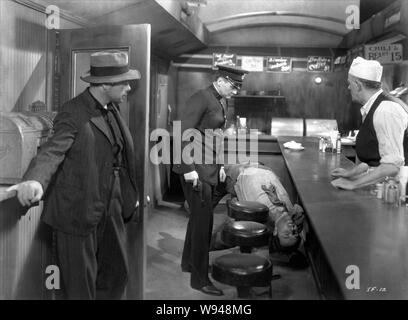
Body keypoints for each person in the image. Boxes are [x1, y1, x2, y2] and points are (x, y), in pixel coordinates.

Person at [7, 51, 140, 299]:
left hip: (111, 208)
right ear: (105, 85)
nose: (129, 87)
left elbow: (119, 157)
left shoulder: (111, 108)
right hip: (77, 212)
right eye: (124, 82)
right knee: (80, 288)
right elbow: (53, 150)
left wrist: (128, 194)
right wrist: (35, 180)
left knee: (116, 274)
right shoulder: (73, 112)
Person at [173, 65, 249, 296]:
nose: (235, 91)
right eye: (234, 86)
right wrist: (188, 169)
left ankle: (188, 264)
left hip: (209, 168)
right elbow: (181, 133)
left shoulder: (219, 100)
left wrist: (222, 166)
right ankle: (199, 279)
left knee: (198, 220)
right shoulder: (201, 98)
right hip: (196, 169)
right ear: (222, 80)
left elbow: (213, 137)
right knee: (203, 225)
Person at [331, 57, 408, 190]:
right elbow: (376, 156)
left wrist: (353, 183)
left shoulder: (386, 110)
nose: (349, 87)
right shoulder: (374, 106)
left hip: (395, 191)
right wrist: (352, 173)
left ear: (358, 85)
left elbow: (391, 167)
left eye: (350, 83)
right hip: (384, 186)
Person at [211, 163, 305, 256]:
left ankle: (203, 248)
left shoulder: (261, 215)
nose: (292, 229)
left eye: (286, 233)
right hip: (262, 168)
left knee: (204, 206)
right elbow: (298, 210)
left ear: (275, 231)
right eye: (295, 233)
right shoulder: (292, 212)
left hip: (238, 173)